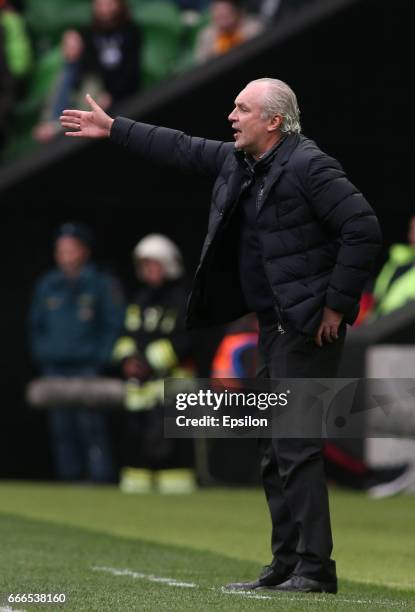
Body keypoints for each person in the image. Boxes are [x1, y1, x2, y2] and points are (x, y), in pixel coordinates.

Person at [60, 77, 382, 593]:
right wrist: (114, 128)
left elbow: (362, 228)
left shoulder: (309, 165)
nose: (231, 116)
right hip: (273, 326)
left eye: (242, 108)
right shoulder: (243, 162)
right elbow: (179, 147)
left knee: (296, 447)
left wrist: (336, 308)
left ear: (274, 121)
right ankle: (285, 563)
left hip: (305, 328)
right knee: (274, 448)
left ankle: (315, 570)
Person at [28, 222, 124, 482]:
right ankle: (69, 481)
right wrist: (45, 353)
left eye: (71, 249)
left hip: (88, 367)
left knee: (91, 427)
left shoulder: (102, 284)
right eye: (61, 250)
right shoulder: (47, 285)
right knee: (62, 429)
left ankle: (100, 480)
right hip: (55, 368)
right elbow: (36, 326)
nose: (65, 255)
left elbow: (113, 325)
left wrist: (101, 357)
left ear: (84, 251)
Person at [112, 234, 195, 488]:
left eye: (154, 264)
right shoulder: (139, 301)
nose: (149, 271)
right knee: (137, 444)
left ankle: (178, 497)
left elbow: (187, 339)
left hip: (173, 390)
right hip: (140, 391)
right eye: (145, 265)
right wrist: (127, 359)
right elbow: (125, 335)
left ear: (169, 264)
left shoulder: (183, 300)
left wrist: (150, 360)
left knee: (172, 451)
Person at [78, 0, 142, 109]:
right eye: (99, 5)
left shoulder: (131, 31)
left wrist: (112, 94)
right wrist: (102, 92)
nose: (104, 10)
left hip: (126, 95)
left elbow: (132, 68)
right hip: (98, 93)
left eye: (109, 4)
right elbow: (90, 68)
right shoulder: (88, 33)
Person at [195, 0, 263, 62]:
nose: (223, 23)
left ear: (239, 12)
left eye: (227, 15)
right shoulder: (207, 35)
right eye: (219, 16)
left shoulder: (254, 28)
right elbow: (202, 64)